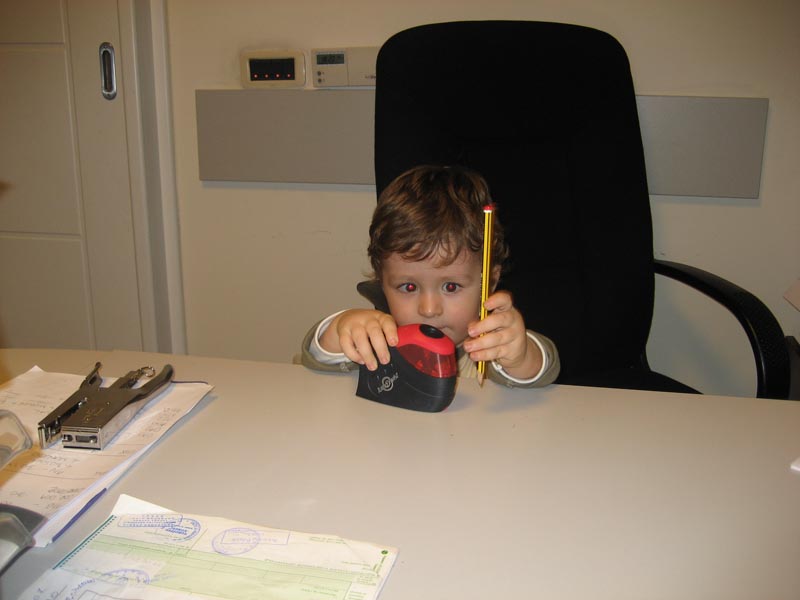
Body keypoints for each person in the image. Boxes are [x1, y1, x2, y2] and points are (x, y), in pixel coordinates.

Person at [300, 165, 559, 388]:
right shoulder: (381, 342)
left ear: (488, 282)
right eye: (408, 287)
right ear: (382, 283)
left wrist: (520, 355)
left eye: (451, 286)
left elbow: (538, 372)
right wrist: (341, 326)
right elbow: (319, 361)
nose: (429, 309)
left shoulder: (490, 349)